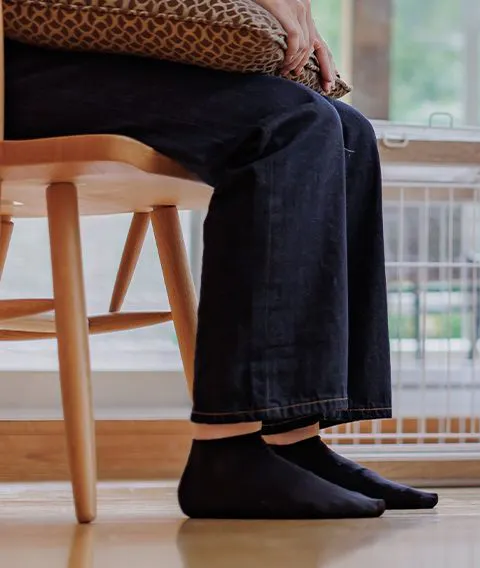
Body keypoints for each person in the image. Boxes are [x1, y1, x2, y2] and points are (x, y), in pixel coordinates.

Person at [4, 0, 436, 519]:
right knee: (289, 121)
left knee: (347, 131)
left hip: (74, 68)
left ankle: (291, 441)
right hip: (18, 68)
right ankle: (226, 449)